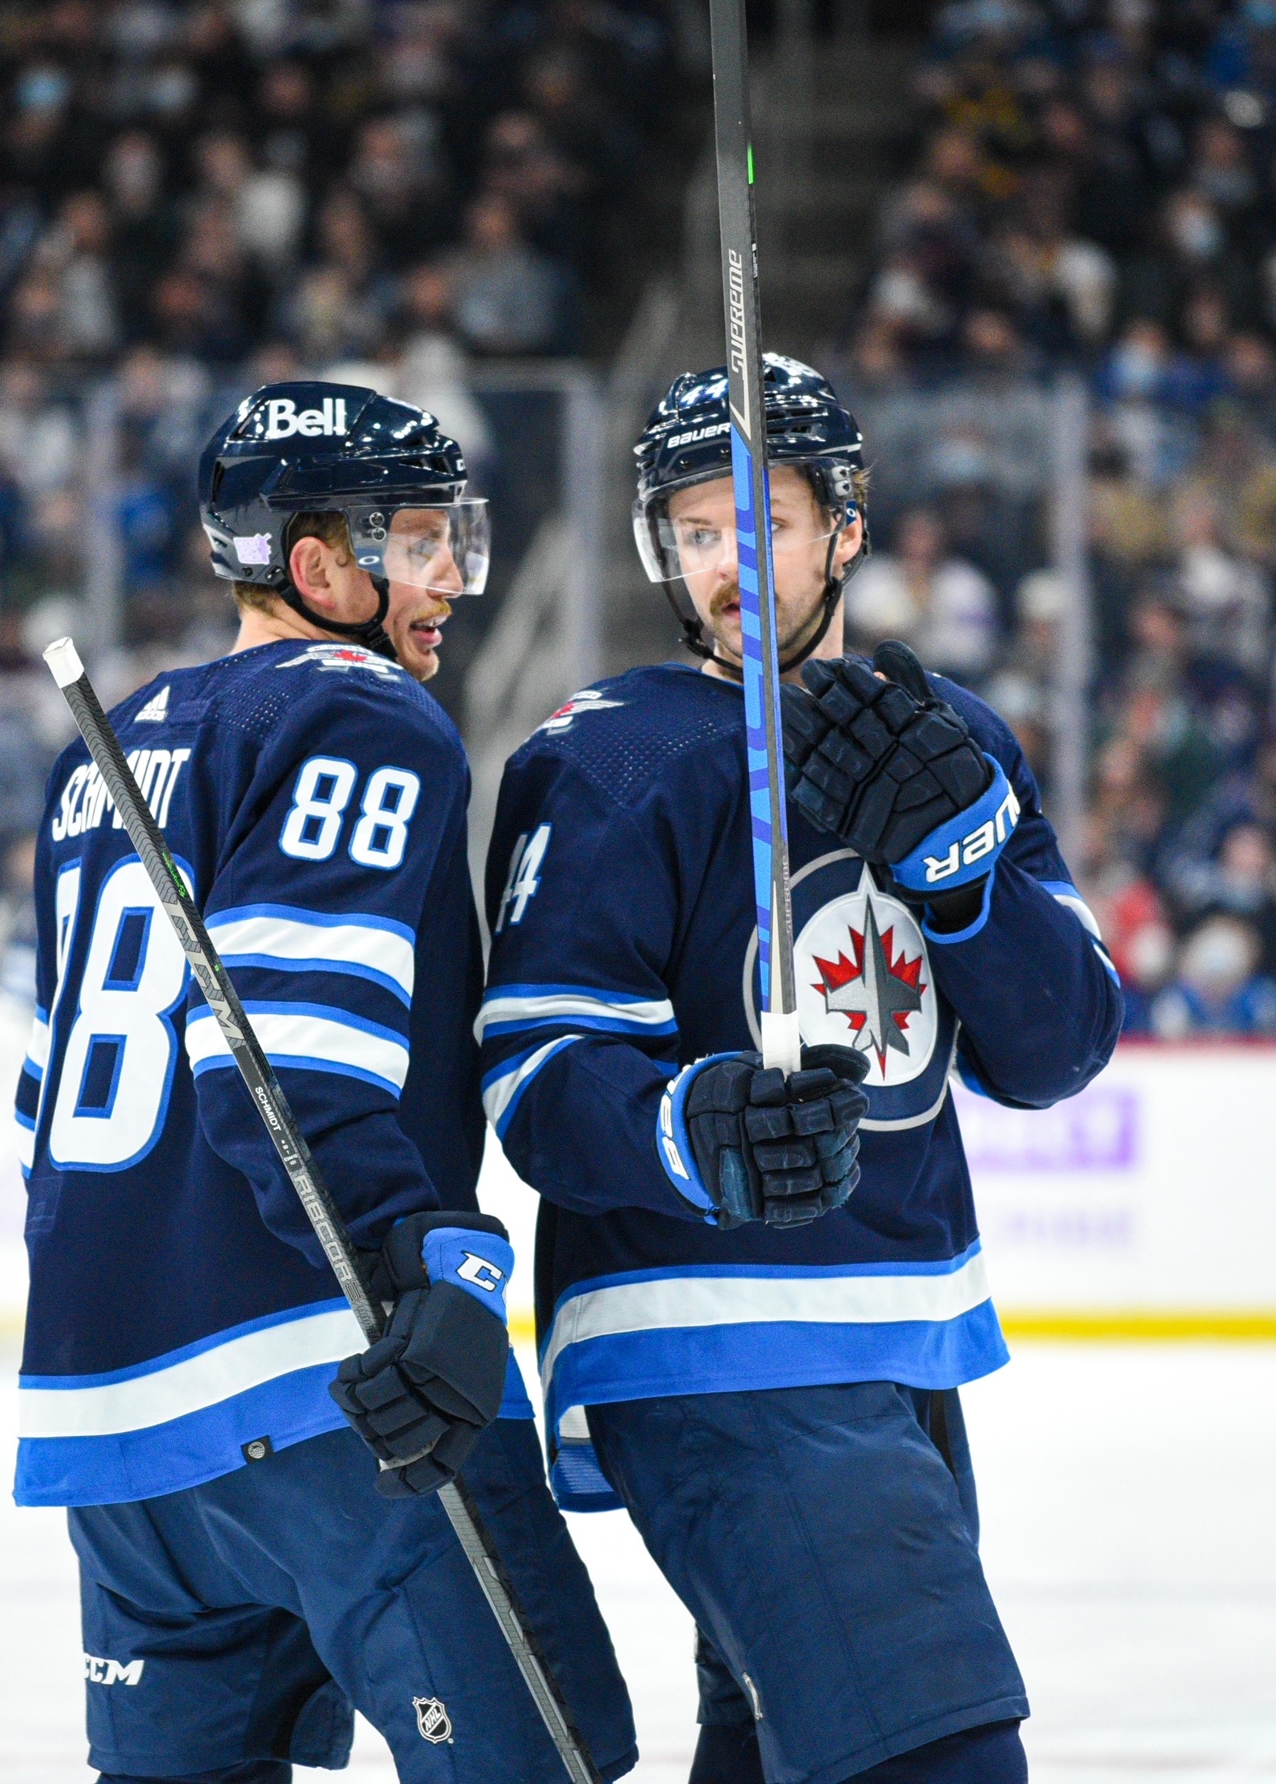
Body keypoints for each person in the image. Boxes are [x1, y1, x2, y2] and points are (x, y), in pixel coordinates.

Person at [481, 355, 1122, 1784]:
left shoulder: (952, 741)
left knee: (779, 1754)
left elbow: (1059, 1047)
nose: (727, 562)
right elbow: (536, 1081)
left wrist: (965, 882)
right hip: (719, 1335)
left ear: (845, 527)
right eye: (695, 530)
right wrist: (687, 1126)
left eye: (761, 522)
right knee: (939, 1759)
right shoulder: (608, 757)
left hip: (905, 1339)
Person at [17, 381, 634, 1783]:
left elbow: (40, 1110)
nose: (450, 579)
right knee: (543, 1763)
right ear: (317, 564)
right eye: (417, 544)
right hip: (332, 1388)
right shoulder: (361, 715)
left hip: (111, 1432)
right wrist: (426, 1266)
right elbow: (280, 1061)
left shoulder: (104, 755)